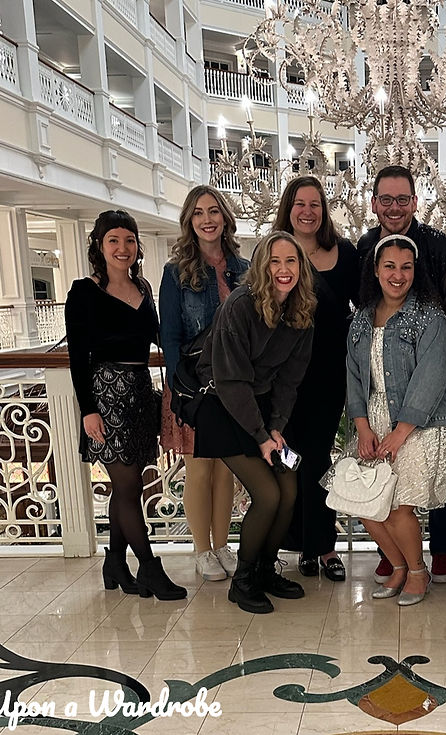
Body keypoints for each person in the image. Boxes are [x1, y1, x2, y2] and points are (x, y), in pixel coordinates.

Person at [65, 209, 186, 601]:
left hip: (138, 392)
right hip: (105, 395)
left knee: (127, 484)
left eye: (129, 240)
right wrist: (88, 409)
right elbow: (77, 357)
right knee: (129, 485)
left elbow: (158, 336)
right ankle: (150, 568)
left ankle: (115, 561)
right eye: (114, 240)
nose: (123, 248)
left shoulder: (144, 289)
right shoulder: (83, 292)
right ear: (99, 246)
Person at [194, 231, 316, 614]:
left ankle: (264, 568)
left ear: (301, 267)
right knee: (268, 495)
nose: (283, 270)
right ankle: (243, 581)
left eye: (291, 261)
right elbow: (230, 381)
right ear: (263, 266)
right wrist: (262, 436)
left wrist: (276, 426)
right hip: (223, 406)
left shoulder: (301, 310)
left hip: (263, 409)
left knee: (289, 490)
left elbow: (289, 379)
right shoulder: (241, 305)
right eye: (275, 262)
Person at [344, 234, 446, 606]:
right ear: (376, 270)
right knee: (363, 501)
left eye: (406, 267)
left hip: (422, 421)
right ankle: (397, 566)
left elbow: (431, 376)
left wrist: (399, 433)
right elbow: (353, 376)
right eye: (390, 266)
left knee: (397, 506)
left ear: (416, 271)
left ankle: (417, 572)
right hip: (375, 419)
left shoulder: (429, 315)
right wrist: (362, 426)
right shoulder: (361, 319)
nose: (398, 275)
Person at [159, 185, 249, 583]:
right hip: (194, 386)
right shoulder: (175, 273)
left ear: (225, 218)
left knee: (226, 469)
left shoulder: (244, 269)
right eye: (198, 213)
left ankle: (222, 544)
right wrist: (183, 390)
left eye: (214, 211)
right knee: (198, 468)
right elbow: (171, 338)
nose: (207, 219)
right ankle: (201, 549)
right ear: (189, 221)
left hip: (234, 384)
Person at [273, 176, 360, 582]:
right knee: (287, 459)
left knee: (319, 458)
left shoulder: (344, 252)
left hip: (328, 374)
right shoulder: (275, 253)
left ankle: (322, 547)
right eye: (300, 204)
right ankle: (295, 544)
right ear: (288, 208)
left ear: (323, 211)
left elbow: (364, 308)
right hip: (282, 375)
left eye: (315, 204)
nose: (308, 211)